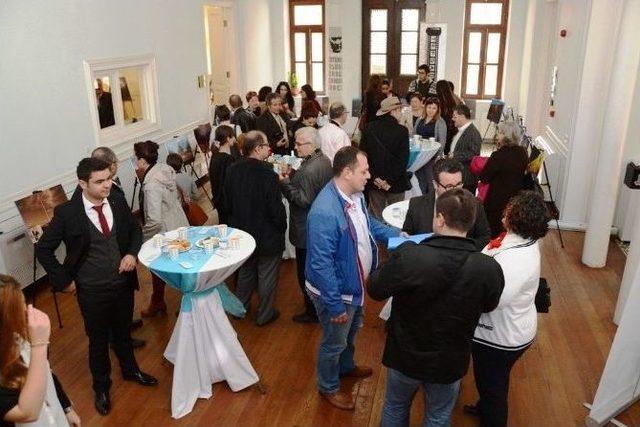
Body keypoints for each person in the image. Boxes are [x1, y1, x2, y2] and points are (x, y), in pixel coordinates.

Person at [368, 188, 505, 427]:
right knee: (438, 417)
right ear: (470, 222)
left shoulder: (410, 255)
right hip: (449, 359)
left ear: (440, 219)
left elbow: (375, 289)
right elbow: (489, 305)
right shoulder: (487, 267)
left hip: (405, 354)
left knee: (395, 406)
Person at [36, 158, 158, 416]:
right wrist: (63, 280)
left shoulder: (115, 199)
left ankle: (131, 370)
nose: (107, 185)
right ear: (82, 183)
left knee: (123, 332)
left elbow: (135, 232)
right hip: (91, 290)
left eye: (108, 179)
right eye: (100, 181)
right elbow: (43, 249)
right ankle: (101, 387)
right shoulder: (67, 213)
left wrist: (131, 254)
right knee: (98, 341)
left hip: (122, 284)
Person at [305, 146, 401, 410]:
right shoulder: (324, 212)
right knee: (334, 341)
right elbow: (321, 264)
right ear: (347, 172)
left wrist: (396, 236)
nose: (369, 175)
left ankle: (346, 368)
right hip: (337, 292)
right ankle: (328, 387)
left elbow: (368, 226)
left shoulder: (355, 195)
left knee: (351, 332)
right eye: (364, 171)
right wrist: (335, 305)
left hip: (354, 286)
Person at [466, 191, 551, 427]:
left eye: (509, 209)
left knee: (492, 386)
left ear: (516, 218)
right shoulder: (520, 241)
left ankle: (491, 416)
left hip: (501, 337)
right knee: (490, 382)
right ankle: (484, 407)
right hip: (509, 328)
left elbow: (493, 300)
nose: (504, 211)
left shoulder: (516, 260)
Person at [84, 147, 145, 348]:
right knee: (113, 302)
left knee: (125, 295)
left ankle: (123, 325)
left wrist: (131, 252)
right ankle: (118, 337)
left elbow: (129, 223)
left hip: (125, 253)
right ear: (111, 165)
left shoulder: (112, 188)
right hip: (112, 261)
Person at [0, 275, 81, 427]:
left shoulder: (21, 336)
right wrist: (40, 344)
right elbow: (27, 412)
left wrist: (66, 407)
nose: (27, 310)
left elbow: (46, 371)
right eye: (19, 307)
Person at [224, 131, 287, 326]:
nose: (270, 147)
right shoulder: (268, 174)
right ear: (258, 148)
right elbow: (275, 208)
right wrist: (281, 226)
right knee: (267, 276)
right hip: (267, 234)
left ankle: (239, 309)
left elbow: (227, 203)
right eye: (267, 144)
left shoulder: (232, 169)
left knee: (245, 272)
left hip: (242, 233)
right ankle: (264, 314)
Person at [278, 127, 333, 323]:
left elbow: (302, 201)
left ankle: (312, 312)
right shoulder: (324, 160)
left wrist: (284, 182)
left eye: (299, 144)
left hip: (306, 227)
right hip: (320, 225)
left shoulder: (309, 169)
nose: (296, 147)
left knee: (305, 273)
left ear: (312, 145)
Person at [134, 141, 189, 317]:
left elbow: (155, 220)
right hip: (178, 223)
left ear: (142, 160)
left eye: (136, 159)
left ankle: (174, 305)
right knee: (179, 267)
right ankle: (159, 302)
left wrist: (143, 237)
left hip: (164, 231)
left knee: (162, 268)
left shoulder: (151, 185)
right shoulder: (165, 169)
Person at [403, 158, 491, 250]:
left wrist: (462, 250)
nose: (455, 190)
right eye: (449, 186)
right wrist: (404, 236)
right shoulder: (416, 205)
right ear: (435, 184)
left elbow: (484, 237)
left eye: (458, 184)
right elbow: (408, 233)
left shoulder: (475, 204)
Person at [359, 96, 410, 219]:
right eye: (400, 110)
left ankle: (377, 239)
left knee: (377, 217)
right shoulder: (402, 131)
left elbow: (362, 157)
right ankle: (394, 239)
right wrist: (389, 181)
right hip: (396, 183)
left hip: (374, 182)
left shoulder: (368, 128)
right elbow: (403, 161)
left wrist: (376, 179)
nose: (401, 113)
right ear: (393, 111)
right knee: (397, 218)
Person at [478, 121, 529, 237]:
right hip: (516, 199)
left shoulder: (499, 155)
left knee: (495, 232)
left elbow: (484, 177)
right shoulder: (522, 152)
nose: (497, 135)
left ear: (506, 136)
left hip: (497, 202)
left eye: (500, 133)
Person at [414, 97, 448, 194]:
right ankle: (422, 200)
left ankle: (432, 201)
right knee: (419, 179)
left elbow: (442, 141)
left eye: (434, 108)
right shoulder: (420, 119)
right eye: (429, 107)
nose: (431, 110)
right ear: (425, 107)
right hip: (419, 155)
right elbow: (414, 134)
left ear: (437, 109)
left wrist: (438, 156)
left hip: (432, 157)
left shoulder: (440, 122)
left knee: (431, 180)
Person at [450, 104, 482, 194]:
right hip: (460, 175)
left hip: (467, 179)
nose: (453, 119)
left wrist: (455, 155)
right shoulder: (462, 130)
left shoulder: (473, 133)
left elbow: (474, 154)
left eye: (454, 116)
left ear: (462, 116)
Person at [209, 125, 237, 224]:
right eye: (232, 136)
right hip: (227, 202)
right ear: (228, 138)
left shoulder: (214, 157)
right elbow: (231, 183)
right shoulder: (228, 159)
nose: (234, 138)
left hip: (218, 200)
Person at [436, 80, 460, 154]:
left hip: (445, 130)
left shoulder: (440, 103)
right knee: (448, 151)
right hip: (453, 130)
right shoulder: (454, 100)